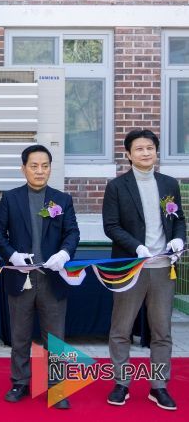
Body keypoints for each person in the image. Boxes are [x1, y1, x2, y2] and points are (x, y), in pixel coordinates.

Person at [0, 144, 80, 410]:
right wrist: (12, 255)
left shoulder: (62, 199)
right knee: (20, 336)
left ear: (50, 168)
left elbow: (72, 232)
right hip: (21, 277)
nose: (40, 171)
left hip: (52, 277)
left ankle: (56, 386)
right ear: (23, 169)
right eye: (34, 166)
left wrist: (64, 253)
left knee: (55, 337)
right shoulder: (11, 198)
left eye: (45, 166)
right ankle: (19, 382)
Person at [103, 129, 185, 411]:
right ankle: (121, 383)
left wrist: (179, 240)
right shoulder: (117, 187)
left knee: (162, 330)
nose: (145, 153)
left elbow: (178, 219)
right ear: (128, 154)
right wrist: (137, 247)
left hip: (163, 268)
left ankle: (158, 386)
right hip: (131, 267)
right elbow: (111, 226)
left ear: (156, 151)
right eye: (139, 149)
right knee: (121, 329)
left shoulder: (169, 184)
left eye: (150, 147)